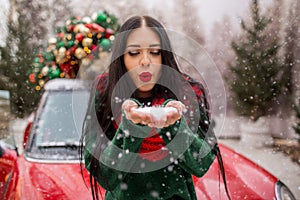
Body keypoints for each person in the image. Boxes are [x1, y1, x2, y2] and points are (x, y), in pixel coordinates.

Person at [81, 15, 230, 200]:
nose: (145, 61)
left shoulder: (186, 92)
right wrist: (130, 128)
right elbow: (105, 177)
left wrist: (173, 124)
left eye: (154, 51)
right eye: (134, 53)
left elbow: (201, 164)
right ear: (121, 57)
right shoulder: (105, 92)